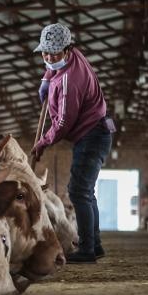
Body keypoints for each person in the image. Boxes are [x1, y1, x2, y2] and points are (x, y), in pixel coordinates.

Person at [30, 23, 115, 264]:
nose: (48, 57)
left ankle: (87, 249)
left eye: (53, 53)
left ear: (68, 49)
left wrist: (43, 142)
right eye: (44, 52)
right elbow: (51, 67)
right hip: (93, 132)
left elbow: (64, 122)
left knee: (78, 190)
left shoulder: (70, 80)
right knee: (86, 192)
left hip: (92, 134)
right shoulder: (70, 58)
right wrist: (47, 78)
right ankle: (94, 245)